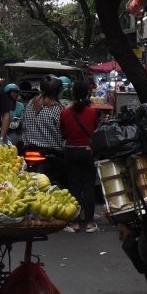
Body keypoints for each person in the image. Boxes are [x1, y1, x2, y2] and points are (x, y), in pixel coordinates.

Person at [60, 80, 99, 233]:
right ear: (87, 94)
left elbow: (63, 132)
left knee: (74, 187)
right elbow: (95, 130)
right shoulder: (93, 112)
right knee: (89, 187)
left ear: (73, 94)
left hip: (70, 151)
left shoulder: (65, 113)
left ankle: (75, 223)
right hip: (87, 151)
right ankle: (89, 222)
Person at [20, 76, 66, 189]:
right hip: (52, 152)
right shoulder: (58, 108)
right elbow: (63, 131)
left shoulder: (31, 103)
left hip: (28, 148)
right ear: (56, 92)